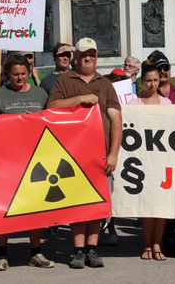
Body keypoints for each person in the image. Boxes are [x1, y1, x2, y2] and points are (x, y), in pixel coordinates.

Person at [46, 37, 122, 269]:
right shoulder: (65, 80)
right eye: (83, 54)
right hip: (72, 156)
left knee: (97, 206)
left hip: (101, 156)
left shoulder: (105, 83)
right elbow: (51, 107)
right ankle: (78, 251)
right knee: (78, 205)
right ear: (75, 57)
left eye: (92, 54)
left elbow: (116, 120)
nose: (88, 57)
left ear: (96, 57)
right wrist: (80, 99)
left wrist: (113, 154)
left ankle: (92, 249)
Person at [0, 54, 54, 270]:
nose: (20, 77)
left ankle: (35, 252)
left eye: (23, 73)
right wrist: (16, 121)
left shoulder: (40, 93)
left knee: (35, 208)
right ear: (7, 74)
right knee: (6, 208)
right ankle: (2, 254)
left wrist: (35, 120)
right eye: (15, 74)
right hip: (7, 160)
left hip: (36, 159)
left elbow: (51, 120)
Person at [129, 64, 170, 260]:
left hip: (162, 161)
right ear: (142, 82)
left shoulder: (167, 104)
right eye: (149, 80)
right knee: (147, 206)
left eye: (156, 80)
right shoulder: (133, 104)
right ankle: (146, 244)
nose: (153, 84)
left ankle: (157, 244)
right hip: (142, 161)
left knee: (160, 205)